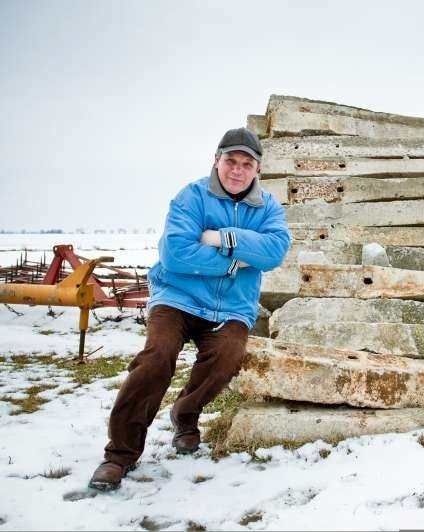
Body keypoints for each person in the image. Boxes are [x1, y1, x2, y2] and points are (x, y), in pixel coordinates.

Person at [89, 128, 290, 490]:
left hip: (232, 307)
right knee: (156, 358)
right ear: (217, 160)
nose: (237, 170)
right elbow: (176, 254)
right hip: (177, 299)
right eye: (231, 161)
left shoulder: (268, 208)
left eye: (247, 164)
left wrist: (221, 238)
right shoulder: (191, 197)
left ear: (257, 170)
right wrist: (235, 262)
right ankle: (119, 455)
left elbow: (275, 252)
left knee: (227, 357)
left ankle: (185, 414)